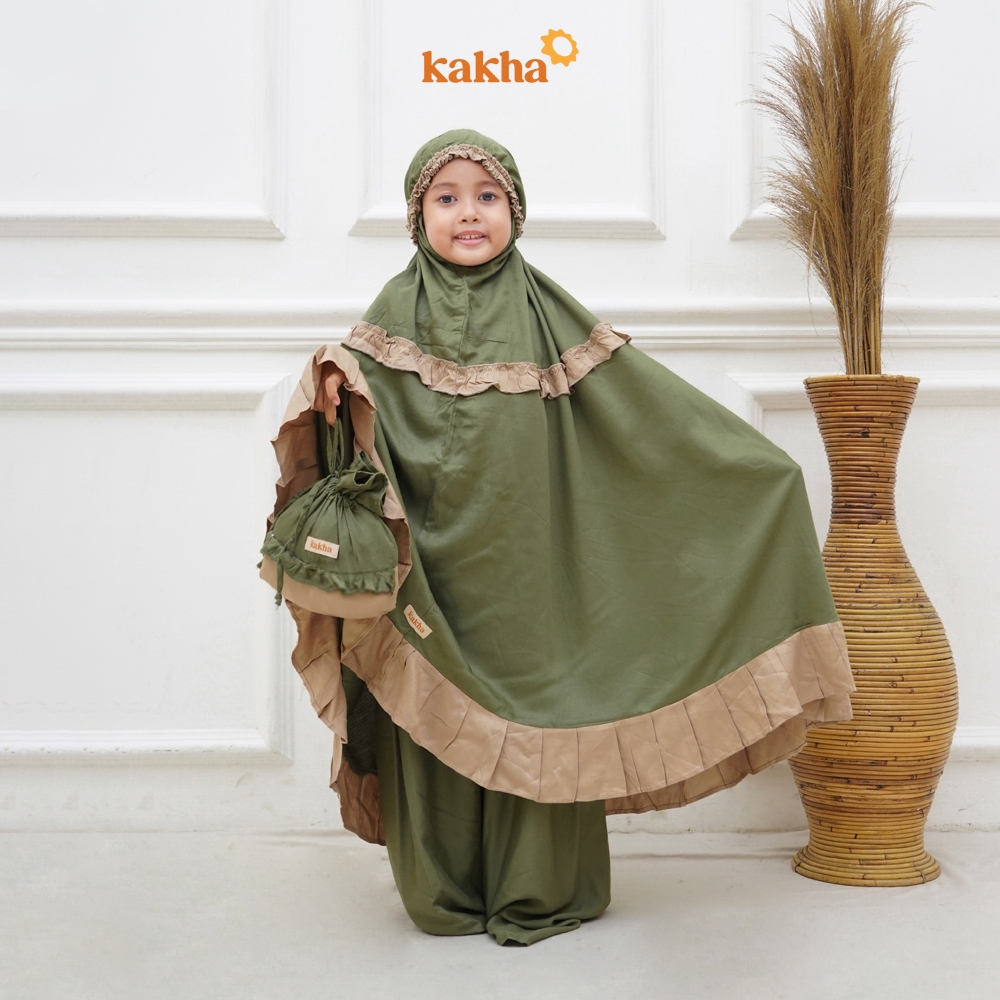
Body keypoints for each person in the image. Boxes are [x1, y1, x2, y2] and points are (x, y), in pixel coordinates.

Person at [266, 129, 854, 946]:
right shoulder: (392, 316)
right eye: (446, 198)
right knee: (426, 707)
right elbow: (361, 427)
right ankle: (443, 890)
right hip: (424, 573)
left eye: (488, 197)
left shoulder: (550, 316)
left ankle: (536, 887)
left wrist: (756, 472)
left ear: (515, 210)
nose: (469, 214)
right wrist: (335, 388)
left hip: (530, 567)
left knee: (539, 706)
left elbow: (642, 411)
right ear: (416, 216)